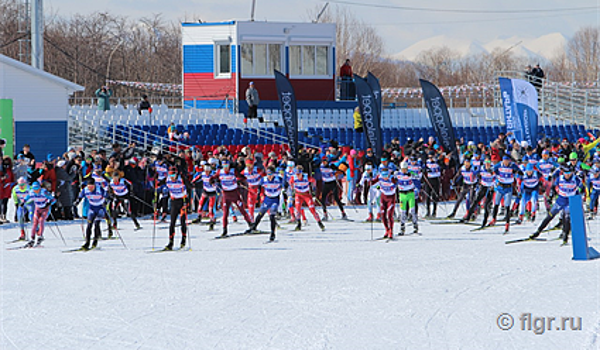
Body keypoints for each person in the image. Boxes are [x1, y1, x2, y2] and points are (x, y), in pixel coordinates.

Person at [529, 164, 583, 245]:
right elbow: (553, 187)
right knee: (550, 215)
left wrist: (579, 191)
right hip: (560, 200)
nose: (567, 175)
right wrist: (550, 196)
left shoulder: (575, 179)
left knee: (566, 218)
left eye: (569, 173)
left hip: (569, 201)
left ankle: (565, 237)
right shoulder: (560, 179)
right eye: (566, 173)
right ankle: (538, 231)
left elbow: (581, 187)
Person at [245, 167, 282, 242]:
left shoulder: (278, 179)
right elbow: (260, 186)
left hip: (275, 199)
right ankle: (254, 227)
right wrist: (259, 194)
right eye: (268, 174)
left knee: (272, 216)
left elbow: (285, 183)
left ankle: (272, 233)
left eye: (271, 174)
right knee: (260, 214)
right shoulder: (264, 179)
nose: (269, 176)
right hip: (267, 199)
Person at [289, 165, 324, 231]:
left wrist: (313, 189)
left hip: (306, 195)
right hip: (298, 195)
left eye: (299, 174)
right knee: (298, 209)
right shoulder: (293, 177)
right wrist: (292, 190)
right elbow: (290, 182)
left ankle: (320, 223)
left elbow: (314, 181)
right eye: (296, 174)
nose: (298, 175)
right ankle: (299, 224)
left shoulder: (306, 177)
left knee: (312, 209)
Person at [76, 177, 108, 250]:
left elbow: (108, 197)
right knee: (89, 225)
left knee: (96, 225)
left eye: (92, 186)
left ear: (94, 185)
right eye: (89, 186)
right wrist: (77, 201)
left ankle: (95, 241)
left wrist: (105, 203)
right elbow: (80, 196)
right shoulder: (85, 190)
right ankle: (87, 242)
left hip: (100, 208)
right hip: (92, 208)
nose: (90, 188)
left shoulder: (99, 189)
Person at [163, 167, 190, 250]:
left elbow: (189, 187)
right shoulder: (167, 179)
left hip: (182, 201)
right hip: (174, 201)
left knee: (182, 222)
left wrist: (187, 201)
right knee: (172, 223)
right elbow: (159, 183)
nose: (172, 176)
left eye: (173, 174)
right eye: (170, 174)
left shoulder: (181, 179)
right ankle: (170, 243)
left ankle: (183, 240)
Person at [23, 181, 56, 248]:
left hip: (45, 209)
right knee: (34, 222)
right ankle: (32, 238)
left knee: (41, 221)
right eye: (35, 189)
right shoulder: (31, 192)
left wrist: (49, 204)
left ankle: (40, 236)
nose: (36, 191)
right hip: (37, 209)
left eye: (37, 189)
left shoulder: (44, 192)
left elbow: (53, 199)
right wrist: (23, 202)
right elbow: (26, 198)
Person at [370, 167, 396, 239]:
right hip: (383, 197)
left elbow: (397, 182)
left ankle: (391, 231)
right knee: (383, 215)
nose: (385, 178)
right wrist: (370, 177)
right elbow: (372, 182)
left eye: (386, 176)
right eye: (383, 176)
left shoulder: (392, 178)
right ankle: (387, 230)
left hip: (391, 198)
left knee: (389, 215)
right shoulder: (379, 177)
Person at [397, 161, 418, 235]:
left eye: (405, 169)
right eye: (403, 169)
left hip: (410, 194)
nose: (404, 171)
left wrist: (412, 174)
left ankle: (415, 225)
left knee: (412, 210)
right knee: (403, 212)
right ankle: (402, 227)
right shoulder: (398, 174)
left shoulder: (410, 173)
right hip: (402, 195)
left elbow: (417, 176)